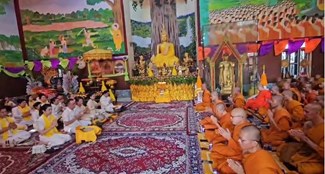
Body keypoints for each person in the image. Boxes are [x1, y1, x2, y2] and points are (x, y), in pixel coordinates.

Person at [277, 103, 324, 174]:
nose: (304, 114)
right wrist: (297, 134)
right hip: (304, 150)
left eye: (307, 112)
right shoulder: (309, 124)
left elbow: (322, 152)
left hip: (317, 157)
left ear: (317, 113)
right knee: (283, 148)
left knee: (308, 170)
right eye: (304, 111)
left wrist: (304, 138)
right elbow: (303, 141)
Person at [210, 108, 251, 172]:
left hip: (239, 155)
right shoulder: (238, 126)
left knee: (224, 165)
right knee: (215, 147)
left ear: (241, 117)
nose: (231, 118)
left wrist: (229, 138)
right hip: (233, 149)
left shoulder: (246, 130)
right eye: (230, 116)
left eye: (233, 117)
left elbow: (240, 150)